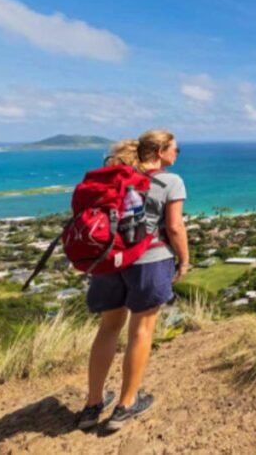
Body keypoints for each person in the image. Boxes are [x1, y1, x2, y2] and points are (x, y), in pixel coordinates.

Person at [77, 129, 190, 431]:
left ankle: (92, 404)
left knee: (108, 328)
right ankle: (126, 404)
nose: (177, 155)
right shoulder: (170, 181)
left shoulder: (117, 178)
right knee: (141, 331)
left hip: (109, 261)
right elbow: (175, 227)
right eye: (175, 150)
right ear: (159, 151)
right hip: (148, 261)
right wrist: (185, 260)